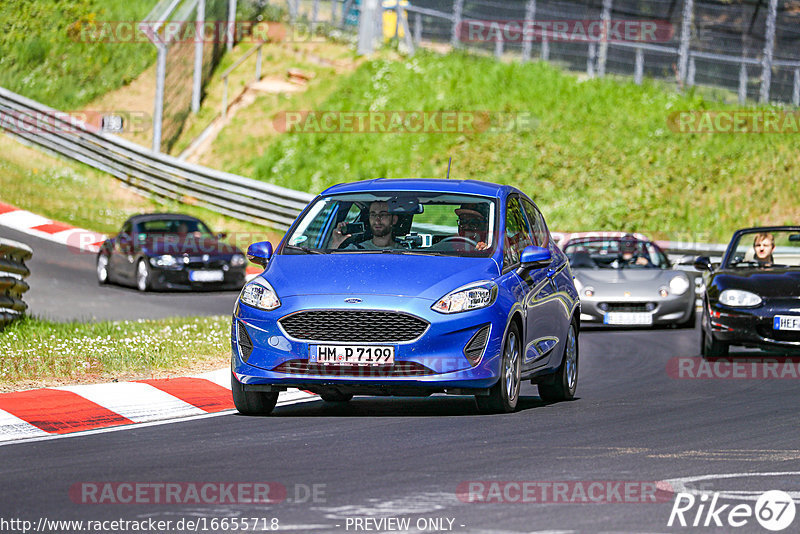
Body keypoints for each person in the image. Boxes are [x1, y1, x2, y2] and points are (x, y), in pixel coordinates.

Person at [330, 201, 399, 250]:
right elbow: (331, 264)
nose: (377, 220)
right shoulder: (356, 249)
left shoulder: (405, 252)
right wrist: (336, 243)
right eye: (373, 215)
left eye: (383, 214)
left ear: (394, 220)